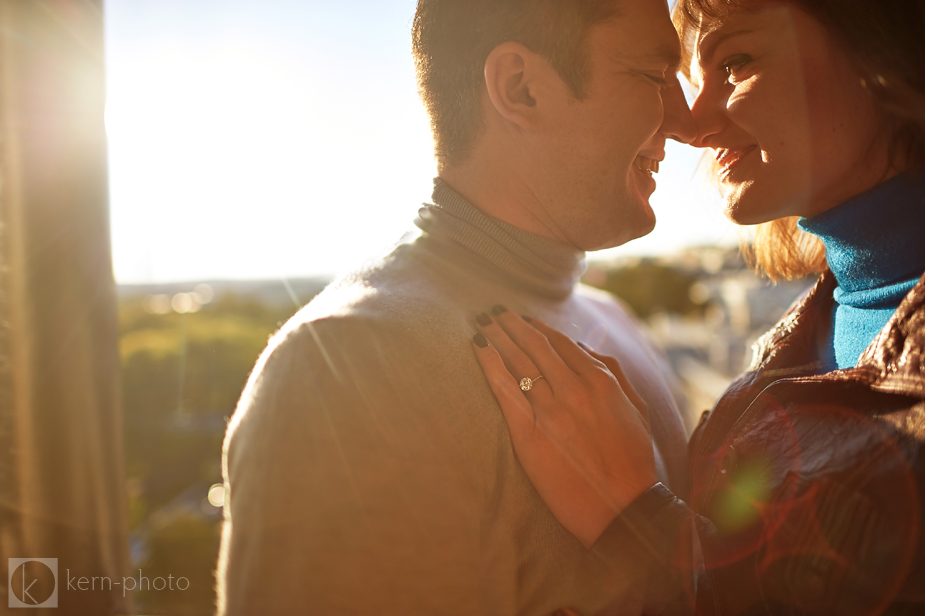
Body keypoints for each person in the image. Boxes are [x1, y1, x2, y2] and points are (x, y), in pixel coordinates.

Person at [217, 0, 699, 613]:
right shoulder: (348, 372)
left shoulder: (614, 320)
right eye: (656, 78)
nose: (690, 123)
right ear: (520, 89)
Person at [473, 0, 925, 614]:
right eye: (690, 80)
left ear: (884, 40)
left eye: (736, 62)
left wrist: (634, 519)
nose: (689, 125)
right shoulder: (818, 322)